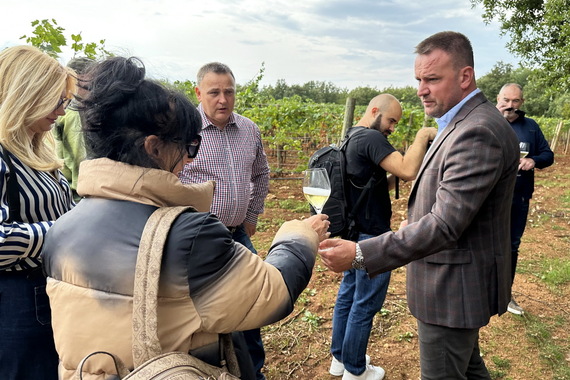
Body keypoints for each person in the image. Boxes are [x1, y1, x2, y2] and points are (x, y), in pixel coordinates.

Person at [41, 56, 330, 380]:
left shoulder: (61, 230)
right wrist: (298, 234)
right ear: (154, 148)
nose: (187, 162)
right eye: (188, 147)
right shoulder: (187, 236)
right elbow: (272, 292)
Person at [320, 31, 520, 379]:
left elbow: (444, 224)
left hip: (450, 293)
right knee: (469, 369)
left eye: (432, 79)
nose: (420, 90)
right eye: (418, 79)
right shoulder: (463, 123)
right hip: (454, 288)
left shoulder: (477, 131)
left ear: (464, 76)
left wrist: (361, 253)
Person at [329, 94, 436, 380]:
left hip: (354, 233)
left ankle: (340, 358)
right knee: (365, 304)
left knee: (349, 296)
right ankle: (355, 369)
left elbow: (375, 185)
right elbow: (408, 170)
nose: (392, 128)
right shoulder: (371, 138)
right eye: (391, 120)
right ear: (374, 111)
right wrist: (423, 135)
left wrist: (398, 173)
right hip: (372, 237)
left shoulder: (351, 137)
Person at [179, 61, 271, 379]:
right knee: (205, 315)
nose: (223, 100)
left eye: (229, 92)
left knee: (251, 306)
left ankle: (253, 372)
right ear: (199, 92)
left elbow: (261, 174)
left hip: (238, 234)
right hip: (198, 241)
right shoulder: (182, 131)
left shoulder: (248, 129)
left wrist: (250, 216)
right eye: (214, 92)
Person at [0, 45, 76, 379]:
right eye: (56, 100)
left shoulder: (35, 148)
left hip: (46, 293)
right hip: (17, 302)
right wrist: (65, 231)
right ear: (26, 94)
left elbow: (62, 209)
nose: (62, 110)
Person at [496, 83, 554, 315]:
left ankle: (505, 295)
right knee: (481, 243)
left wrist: (534, 161)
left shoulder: (530, 128)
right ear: (497, 99)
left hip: (518, 197)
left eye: (516, 101)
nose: (511, 106)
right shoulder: (486, 122)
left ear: (522, 103)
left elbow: (547, 155)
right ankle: (480, 291)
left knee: (511, 245)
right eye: (506, 101)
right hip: (486, 198)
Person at [53, 56, 94, 202]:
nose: (92, 92)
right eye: (87, 87)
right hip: (77, 196)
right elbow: (80, 159)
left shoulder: (62, 107)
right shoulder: (75, 113)